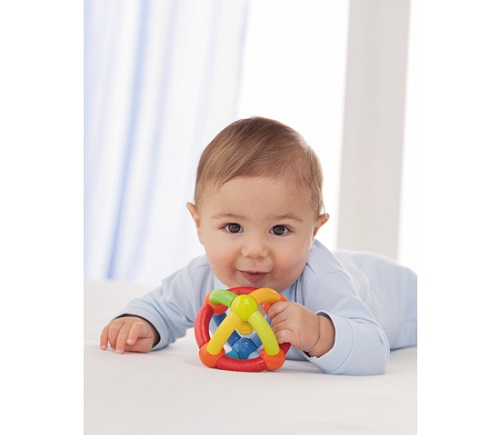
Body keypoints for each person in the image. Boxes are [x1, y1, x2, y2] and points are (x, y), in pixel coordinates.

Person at [100, 116, 417, 375]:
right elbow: (161, 307)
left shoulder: (322, 280)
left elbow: (374, 350)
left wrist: (319, 332)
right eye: (233, 227)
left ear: (313, 232)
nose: (254, 250)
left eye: (279, 230)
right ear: (199, 224)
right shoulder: (201, 277)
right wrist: (140, 324)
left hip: (399, 294)